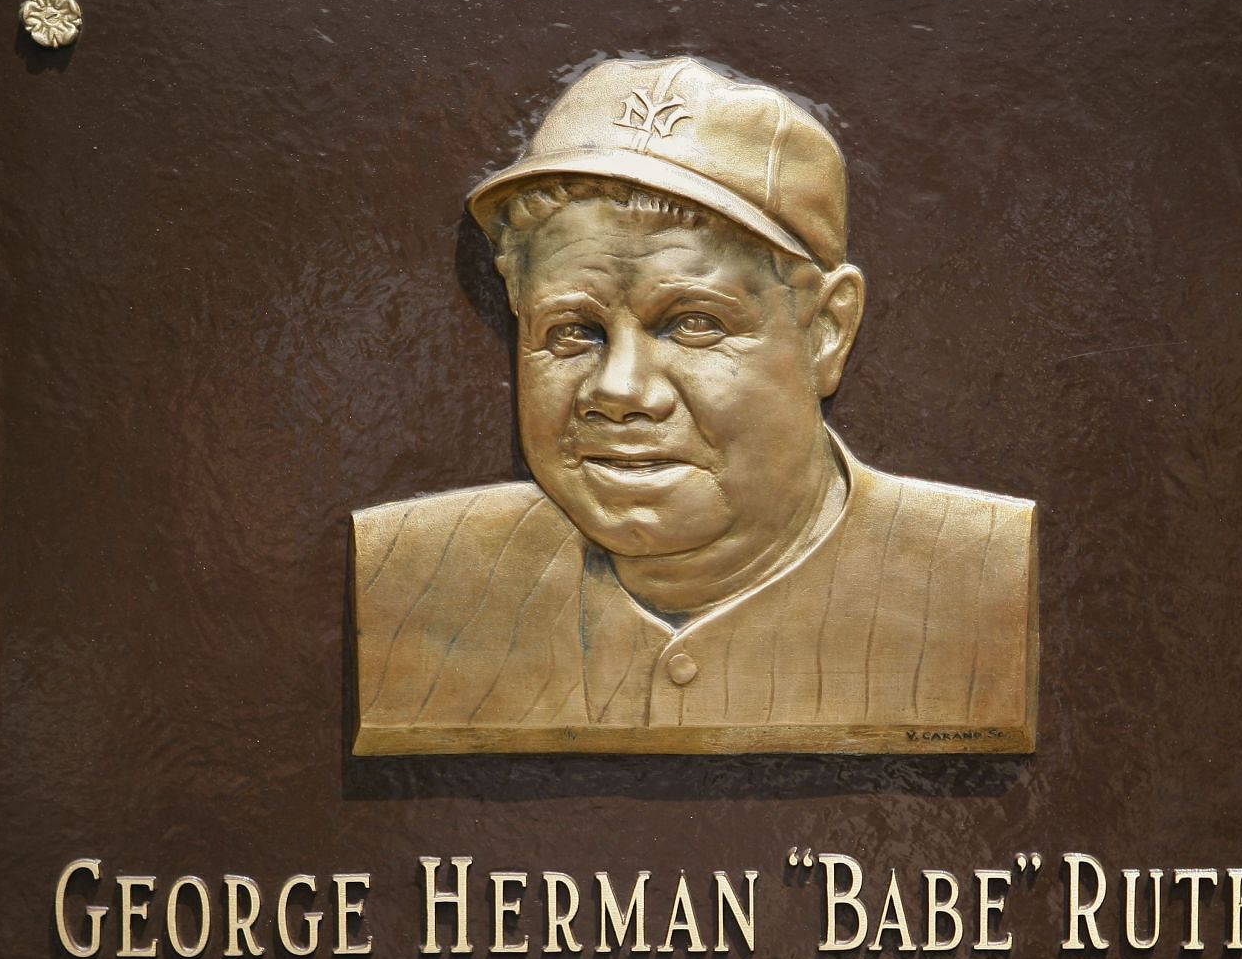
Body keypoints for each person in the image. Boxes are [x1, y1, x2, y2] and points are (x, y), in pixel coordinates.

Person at [350, 57, 1036, 754]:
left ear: (827, 332)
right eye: (572, 331)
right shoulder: (402, 582)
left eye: (692, 324)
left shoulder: (981, 586)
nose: (619, 391)